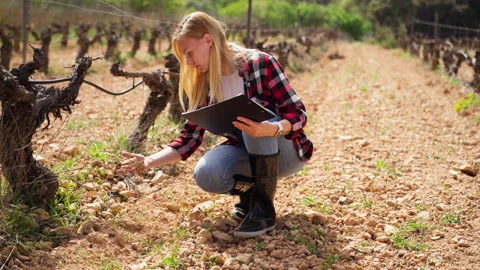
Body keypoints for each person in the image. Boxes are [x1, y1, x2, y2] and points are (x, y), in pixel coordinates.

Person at [121, 11, 313, 238]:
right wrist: (150, 161)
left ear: (208, 40)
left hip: (284, 152)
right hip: (247, 151)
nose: (189, 63)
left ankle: (264, 212)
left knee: (251, 118)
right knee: (207, 174)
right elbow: (190, 138)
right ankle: (252, 193)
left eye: (189, 54)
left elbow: (298, 113)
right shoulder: (206, 82)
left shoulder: (261, 63)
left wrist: (271, 128)